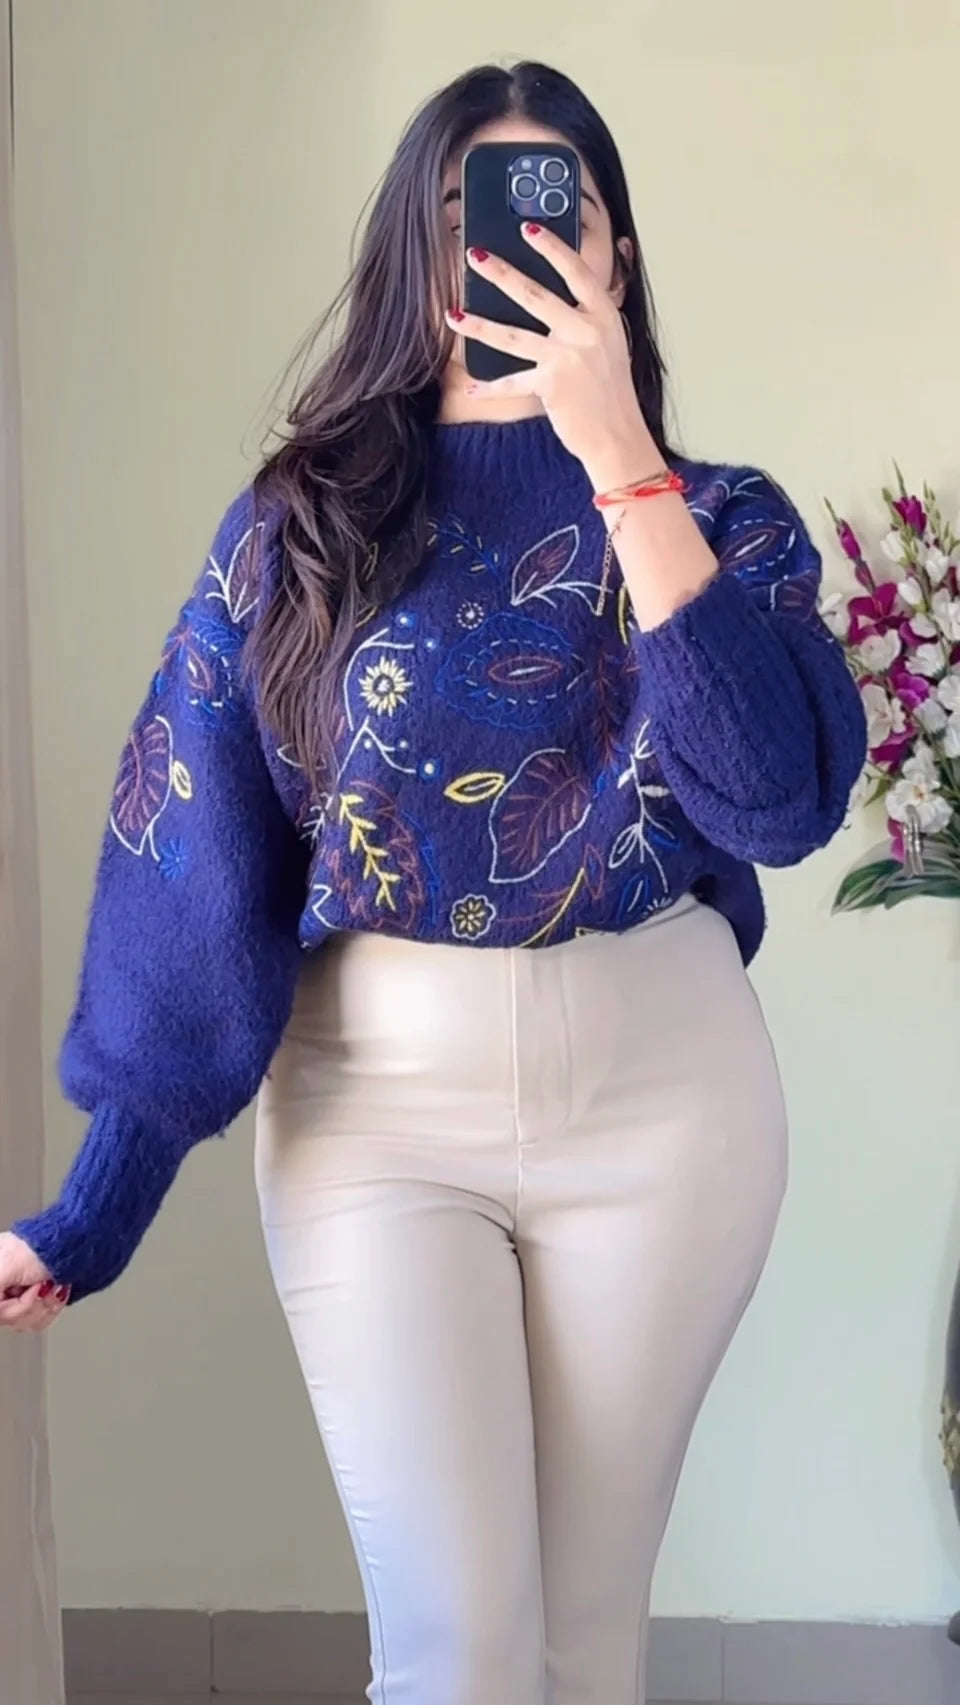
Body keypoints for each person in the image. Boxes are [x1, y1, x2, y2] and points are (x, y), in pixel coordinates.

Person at [0, 59, 865, 1705]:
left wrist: (619, 457)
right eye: (481, 215)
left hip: (670, 1105)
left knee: (581, 1651)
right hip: (374, 1114)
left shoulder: (723, 522)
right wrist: (97, 1202)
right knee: (456, 1655)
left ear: (615, 258)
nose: (520, 250)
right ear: (421, 247)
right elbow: (197, 852)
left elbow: (775, 800)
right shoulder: (303, 526)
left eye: (563, 216)